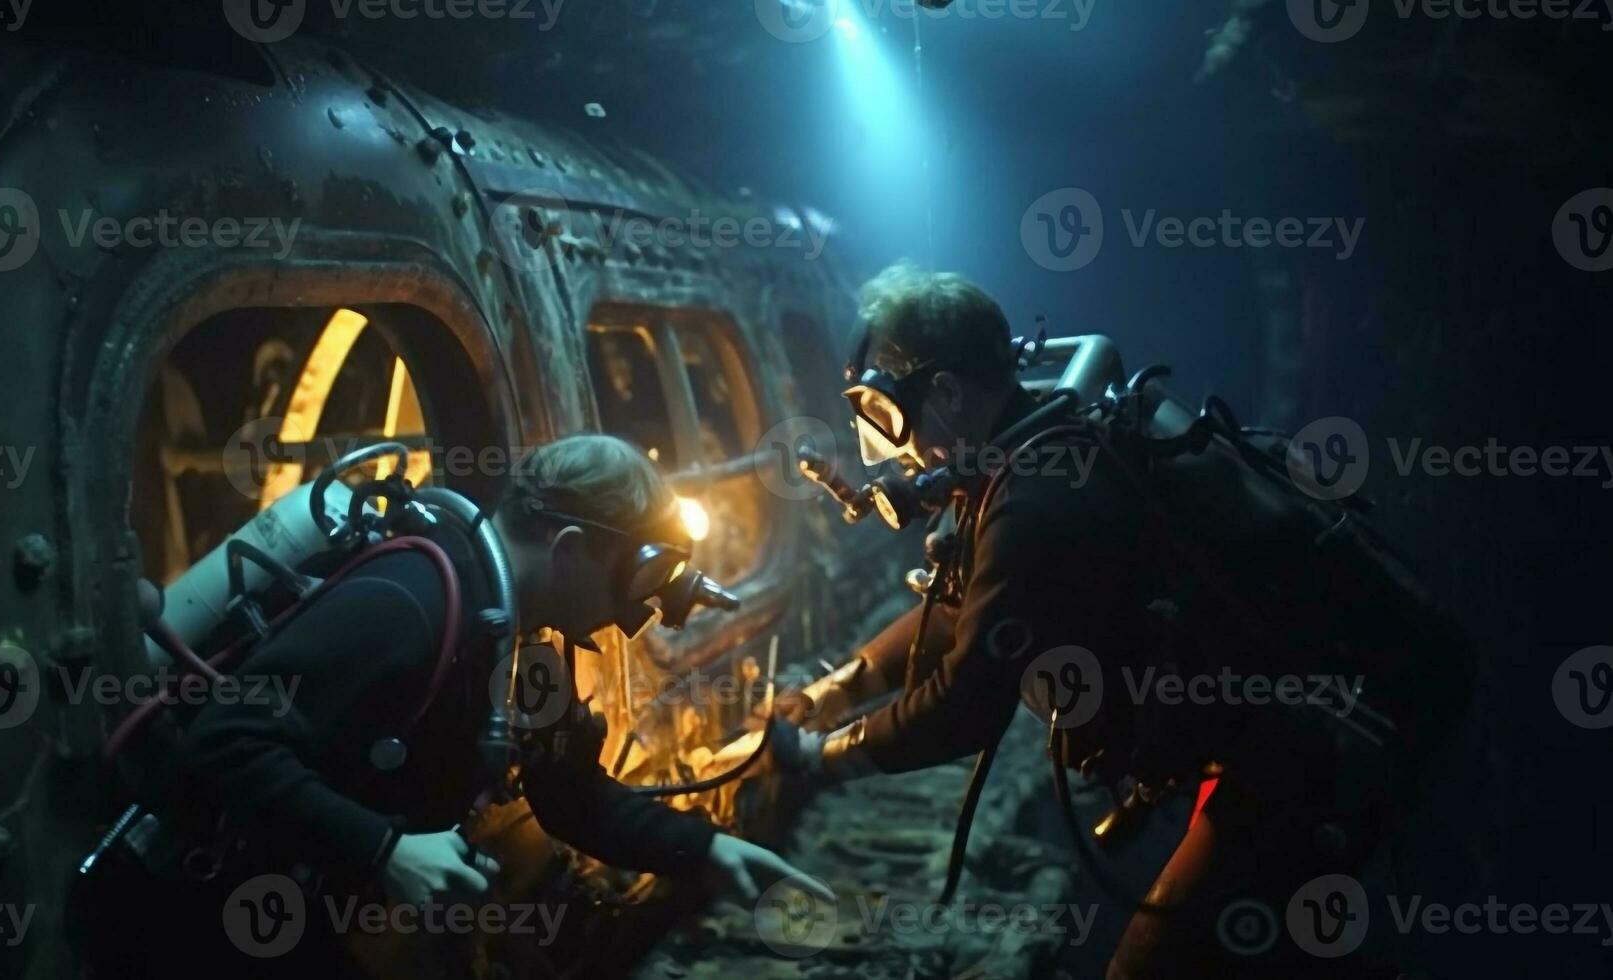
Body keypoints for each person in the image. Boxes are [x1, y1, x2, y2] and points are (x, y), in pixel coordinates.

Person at [770, 262, 1467, 978]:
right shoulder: (1025, 450)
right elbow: (957, 608)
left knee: (1148, 968)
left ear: (945, 392)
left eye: (886, 418)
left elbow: (963, 707)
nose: (894, 451)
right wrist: (830, 693)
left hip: (1318, 748)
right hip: (1265, 725)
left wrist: (811, 760)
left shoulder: (1035, 498)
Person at [85, 434, 829, 978]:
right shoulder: (411, 600)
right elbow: (224, 742)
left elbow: (572, 797)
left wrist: (706, 850)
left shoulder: (516, 638)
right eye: (634, 584)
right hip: (216, 917)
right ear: (568, 549)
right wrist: (384, 849)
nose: (631, 618)